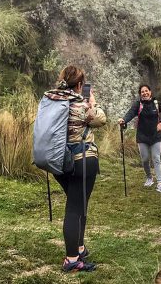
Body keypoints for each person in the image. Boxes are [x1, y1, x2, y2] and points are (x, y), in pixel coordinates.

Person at [47, 65, 106, 272]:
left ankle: (79, 247)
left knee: (78, 204)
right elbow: (100, 119)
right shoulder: (81, 105)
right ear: (80, 85)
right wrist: (93, 102)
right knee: (75, 208)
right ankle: (72, 260)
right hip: (82, 160)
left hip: (57, 161)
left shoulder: (52, 100)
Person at [118, 84, 161, 193]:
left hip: (155, 136)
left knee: (156, 158)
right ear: (140, 94)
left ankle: (160, 183)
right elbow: (131, 113)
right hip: (142, 136)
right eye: (142, 92)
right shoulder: (138, 105)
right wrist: (124, 120)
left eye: (146, 91)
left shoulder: (156, 104)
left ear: (150, 92)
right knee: (145, 159)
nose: (145, 93)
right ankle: (149, 178)